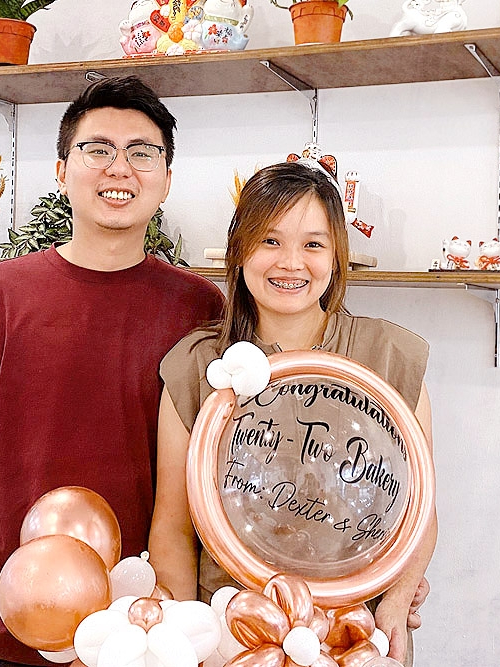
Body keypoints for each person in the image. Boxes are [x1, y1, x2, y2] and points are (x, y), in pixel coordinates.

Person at [0, 75, 225, 667]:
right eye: (97, 149)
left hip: (150, 635)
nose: (118, 169)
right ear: (61, 171)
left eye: (142, 152)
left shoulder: (200, 308)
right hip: (9, 635)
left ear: (166, 180)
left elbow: (227, 473)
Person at [148, 161, 437, 665]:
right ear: (240, 251)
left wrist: (395, 604)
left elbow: (420, 511)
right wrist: (182, 640)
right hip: (232, 633)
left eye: (313, 244)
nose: (290, 263)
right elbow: (172, 529)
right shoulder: (197, 365)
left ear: (335, 257)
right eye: (270, 241)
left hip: (356, 635)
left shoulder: (388, 357)